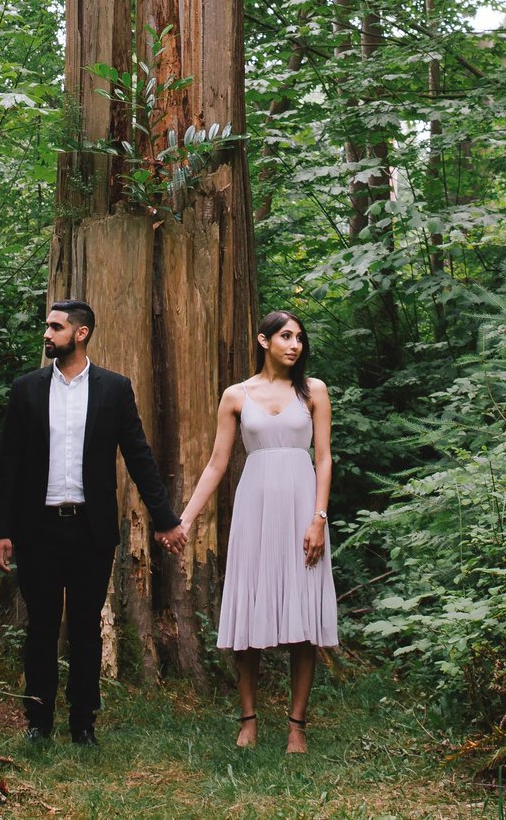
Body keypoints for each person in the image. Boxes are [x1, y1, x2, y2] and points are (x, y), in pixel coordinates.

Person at [0, 299, 186, 744]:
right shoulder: (27, 389)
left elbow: (139, 457)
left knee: (84, 628)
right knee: (40, 627)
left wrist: (165, 519)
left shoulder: (114, 389)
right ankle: (38, 722)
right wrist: (1, 531)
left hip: (90, 529)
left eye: (56, 327)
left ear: (81, 334)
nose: (47, 334)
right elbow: (10, 465)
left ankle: (83, 724)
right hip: (36, 528)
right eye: (47, 326)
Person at [175, 309, 336, 753]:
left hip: (303, 507)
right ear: (264, 341)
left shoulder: (314, 392)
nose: (295, 345)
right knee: (249, 610)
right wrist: (184, 520)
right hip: (255, 508)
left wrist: (318, 518)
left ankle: (296, 726)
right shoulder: (236, 395)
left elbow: (323, 458)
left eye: (300, 338)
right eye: (286, 336)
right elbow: (216, 464)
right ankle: (247, 719)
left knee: (303, 616)